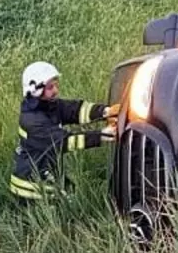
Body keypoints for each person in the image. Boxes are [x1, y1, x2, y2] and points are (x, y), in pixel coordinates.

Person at [9, 61, 119, 205]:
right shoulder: (33, 121)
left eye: (55, 84)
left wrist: (105, 111)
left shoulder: (48, 105)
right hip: (31, 188)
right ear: (36, 90)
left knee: (70, 194)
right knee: (63, 213)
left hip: (46, 172)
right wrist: (103, 136)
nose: (55, 90)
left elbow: (74, 110)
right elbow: (64, 142)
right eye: (50, 87)